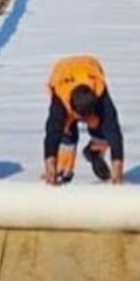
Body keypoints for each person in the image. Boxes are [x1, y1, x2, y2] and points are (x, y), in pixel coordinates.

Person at [44, 55, 125, 185]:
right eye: (80, 118)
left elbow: (114, 132)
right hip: (64, 72)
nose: (83, 122)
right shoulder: (60, 101)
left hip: (89, 69)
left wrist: (117, 168)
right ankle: (61, 169)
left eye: (86, 119)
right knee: (66, 131)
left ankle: (95, 151)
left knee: (103, 125)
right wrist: (50, 162)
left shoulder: (101, 94)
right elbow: (52, 134)